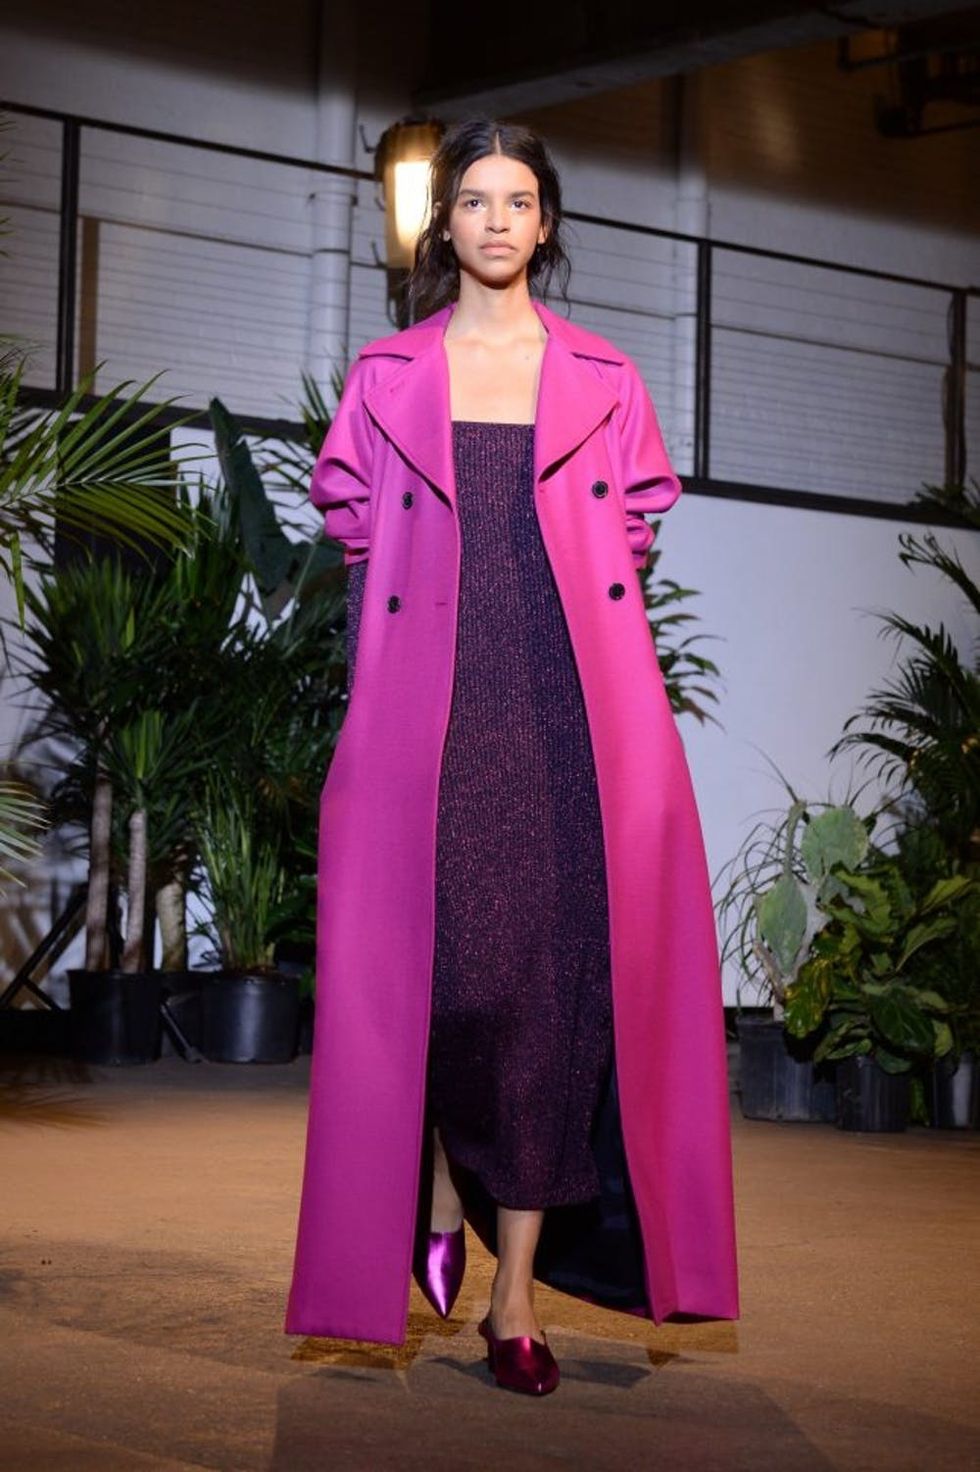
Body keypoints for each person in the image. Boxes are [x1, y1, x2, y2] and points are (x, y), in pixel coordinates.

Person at [284, 117, 739, 1398]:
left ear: (547, 225)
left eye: (517, 198)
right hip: (427, 714)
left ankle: (513, 1297)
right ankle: (431, 1182)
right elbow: (363, 543)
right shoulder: (385, 378)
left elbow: (623, 552)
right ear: (448, 226)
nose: (493, 219)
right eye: (473, 198)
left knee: (545, 1006)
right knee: (433, 992)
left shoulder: (604, 378)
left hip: (563, 716)